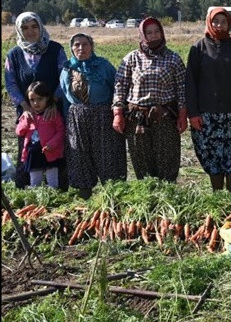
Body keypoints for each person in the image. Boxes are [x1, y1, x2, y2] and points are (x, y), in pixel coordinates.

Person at [186, 8, 231, 193]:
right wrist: (193, 113)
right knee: (212, 156)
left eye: (223, 21)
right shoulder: (197, 49)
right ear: (209, 22)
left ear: (229, 24)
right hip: (207, 114)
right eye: (215, 21)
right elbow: (190, 83)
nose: (219, 25)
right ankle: (217, 196)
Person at [113, 17, 188, 183]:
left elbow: (182, 90)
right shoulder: (131, 59)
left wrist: (183, 115)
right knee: (142, 162)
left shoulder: (173, 59)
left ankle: (167, 195)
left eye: (157, 31)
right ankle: (147, 197)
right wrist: (118, 112)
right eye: (149, 32)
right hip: (138, 119)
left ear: (162, 32)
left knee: (168, 160)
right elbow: (120, 86)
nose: (154, 35)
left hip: (165, 118)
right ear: (142, 35)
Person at [4, 12, 67, 189]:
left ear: (40, 27)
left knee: (54, 149)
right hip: (27, 112)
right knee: (28, 149)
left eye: (34, 26)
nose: (30, 31)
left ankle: (59, 191)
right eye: (25, 28)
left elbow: (65, 77)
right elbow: (10, 82)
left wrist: (53, 101)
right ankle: (28, 191)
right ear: (19, 30)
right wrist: (25, 107)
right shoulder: (14, 55)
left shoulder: (55, 50)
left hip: (53, 110)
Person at [60, 33, 127, 198]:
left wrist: (118, 113)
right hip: (77, 117)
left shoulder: (103, 66)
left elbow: (117, 89)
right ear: (72, 47)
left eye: (85, 44)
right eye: (77, 45)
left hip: (102, 115)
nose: (81, 48)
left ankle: (113, 193)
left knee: (107, 154)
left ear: (92, 46)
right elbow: (65, 97)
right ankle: (85, 194)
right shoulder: (68, 68)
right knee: (80, 154)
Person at [15, 81, 65, 188]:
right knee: (35, 179)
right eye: (32, 100)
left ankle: (53, 197)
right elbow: (19, 132)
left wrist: (52, 144)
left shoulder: (53, 114)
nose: (36, 103)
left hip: (51, 152)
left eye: (40, 99)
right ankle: (37, 198)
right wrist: (24, 121)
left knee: (52, 179)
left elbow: (61, 132)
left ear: (47, 98)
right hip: (33, 153)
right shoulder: (27, 116)